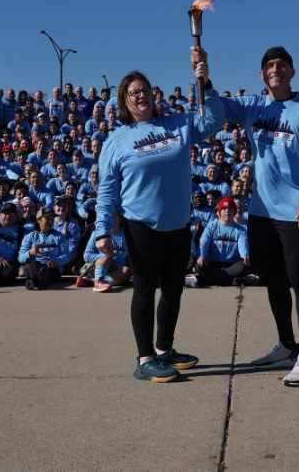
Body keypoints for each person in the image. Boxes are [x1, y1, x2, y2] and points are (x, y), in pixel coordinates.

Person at [95, 56, 221, 383]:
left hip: (177, 225)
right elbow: (107, 189)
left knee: (174, 290)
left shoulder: (177, 124)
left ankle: (165, 350)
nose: (141, 96)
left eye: (145, 90)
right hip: (141, 226)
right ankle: (145, 357)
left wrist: (204, 83)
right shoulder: (117, 140)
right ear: (124, 101)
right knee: (145, 289)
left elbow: (213, 122)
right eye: (133, 93)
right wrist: (102, 229)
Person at [217, 46, 299, 388]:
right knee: (272, 279)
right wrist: (203, 77)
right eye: (269, 65)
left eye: (282, 64)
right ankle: (286, 344)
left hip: (295, 208)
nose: (275, 69)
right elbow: (216, 107)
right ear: (261, 74)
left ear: (292, 72)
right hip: (260, 210)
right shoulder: (254, 107)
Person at [188, 197, 250, 287]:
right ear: (219, 212)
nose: (227, 211)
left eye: (230, 209)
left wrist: (245, 256)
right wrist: (202, 255)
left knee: (242, 265)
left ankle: (210, 279)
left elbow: (243, 245)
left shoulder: (241, 230)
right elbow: (204, 242)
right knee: (199, 264)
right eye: (224, 209)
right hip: (212, 264)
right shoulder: (211, 226)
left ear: (234, 211)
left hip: (231, 266)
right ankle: (227, 280)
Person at [18, 209, 74, 291]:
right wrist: (30, 253)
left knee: (45, 271)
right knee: (31, 266)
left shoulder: (59, 236)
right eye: (47, 219)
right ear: (39, 220)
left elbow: (67, 255)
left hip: (52, 267)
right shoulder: (29, 237)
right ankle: (36, 280)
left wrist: (57, 261)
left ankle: (34, 281)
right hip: (35, 265)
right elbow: (20, 258)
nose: (50, 221)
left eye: (52, 219)